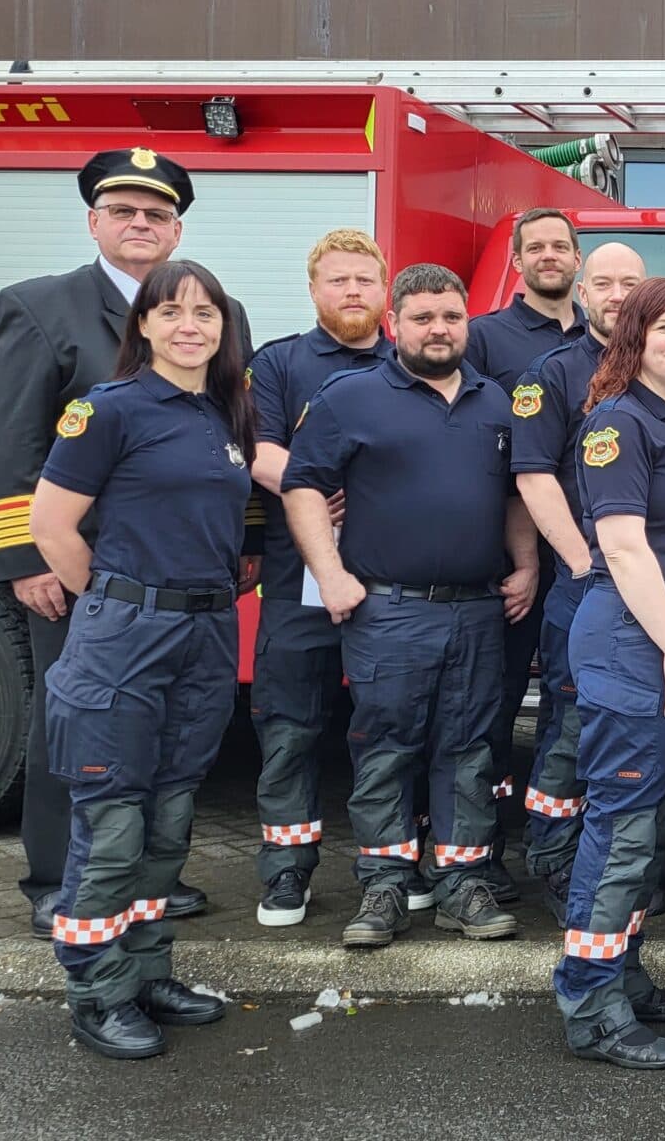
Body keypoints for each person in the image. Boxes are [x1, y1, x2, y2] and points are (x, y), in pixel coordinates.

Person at [0, 148, 243, 938]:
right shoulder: (41, 307)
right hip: (86, 574)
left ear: (177, 230)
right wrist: (28, 559)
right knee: (74, 729)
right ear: (94, 222)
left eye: (156, 214)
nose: (140, 224)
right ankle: (59, 880)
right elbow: (11, 441)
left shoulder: (214, 312)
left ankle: (140, 879)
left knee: (161, 735)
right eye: (123, 211)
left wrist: (248, 543)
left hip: (180, 576)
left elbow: (232, 432)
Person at [33, 260, 258, 1059]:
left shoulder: (225, 414)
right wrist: (114, 601)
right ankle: (97, 992)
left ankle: (147, 970)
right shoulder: (108, 409)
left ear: (224, 329)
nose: (190, 326)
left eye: (206, 313)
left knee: (169, 819)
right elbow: (51, 525)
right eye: (172, 312)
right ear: (144, 326)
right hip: (127, 640)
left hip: (205, 634)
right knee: (114, 822)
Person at [282, 264, 540, 948]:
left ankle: (461, 883)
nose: (439, 330)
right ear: (394, 323)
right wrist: (330, 574)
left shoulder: (496, 402)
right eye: (423, 318)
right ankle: (384, 885)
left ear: (467, 322)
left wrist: (527, 564)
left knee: (470, 751)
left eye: (451, 317)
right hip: (388, 612)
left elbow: (515, 494)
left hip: (479, 610)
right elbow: (303, 487)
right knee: (386, 750)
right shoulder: (350, 396)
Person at [552, 278, 665, 1070]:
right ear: (633, 340)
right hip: (636, 635)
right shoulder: (618, 422)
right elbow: (621, 546)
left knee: (650, 824)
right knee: (621, 828)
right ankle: (590, 1004)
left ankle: (625, 975)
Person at [246, 229, 394, 927]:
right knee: (290, 729)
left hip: (392, 582)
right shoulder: (279, 364)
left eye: (365, 279)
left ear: (384, 289)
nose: (353, 291)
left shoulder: (410, 361)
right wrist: (310, 485)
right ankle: (286, 870)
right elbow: (257, 448)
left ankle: (389, 869)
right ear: (313, 290)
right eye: (338, 280)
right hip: (298, 579)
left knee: (389, 731)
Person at [510, 242, 648, 923]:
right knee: (572, 729)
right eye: (605, 283)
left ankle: (620, 859)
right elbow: (534, 477)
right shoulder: (555, 373)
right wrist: (581, 561)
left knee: (637, 731)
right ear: (582, 292)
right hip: (588, 585)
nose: (618, 294)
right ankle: (555, 854)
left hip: (653, 587)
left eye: (631, 283)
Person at [464, 207, 587, 897]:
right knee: (498, 702)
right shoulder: (485, 337)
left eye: (560, 245)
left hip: (587, 563)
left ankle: (554, 843)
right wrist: (524, 559)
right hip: (513, 558)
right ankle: (480, 852)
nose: (549, 256)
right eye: (535, 247)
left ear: (577, 259)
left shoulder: (608, 340)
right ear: (516, 261)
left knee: (570, 708)